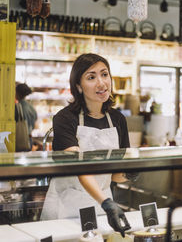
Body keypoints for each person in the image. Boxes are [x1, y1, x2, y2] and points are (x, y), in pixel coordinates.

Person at [41, 53, 131, 237]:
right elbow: (80, 168)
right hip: (67, 208)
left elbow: (115, 175)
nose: (101, 83)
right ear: (78, 87)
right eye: (91, 77)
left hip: (103, 209)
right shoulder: (65, 119)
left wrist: (130, 174)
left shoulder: (118, 119)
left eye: (104, 74)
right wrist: (106, 202)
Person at [15, 83, 37, 149]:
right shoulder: (31, 107)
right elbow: (35, 119)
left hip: (20, 139)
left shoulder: (17, 107)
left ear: (17, 93)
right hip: (29, 138)